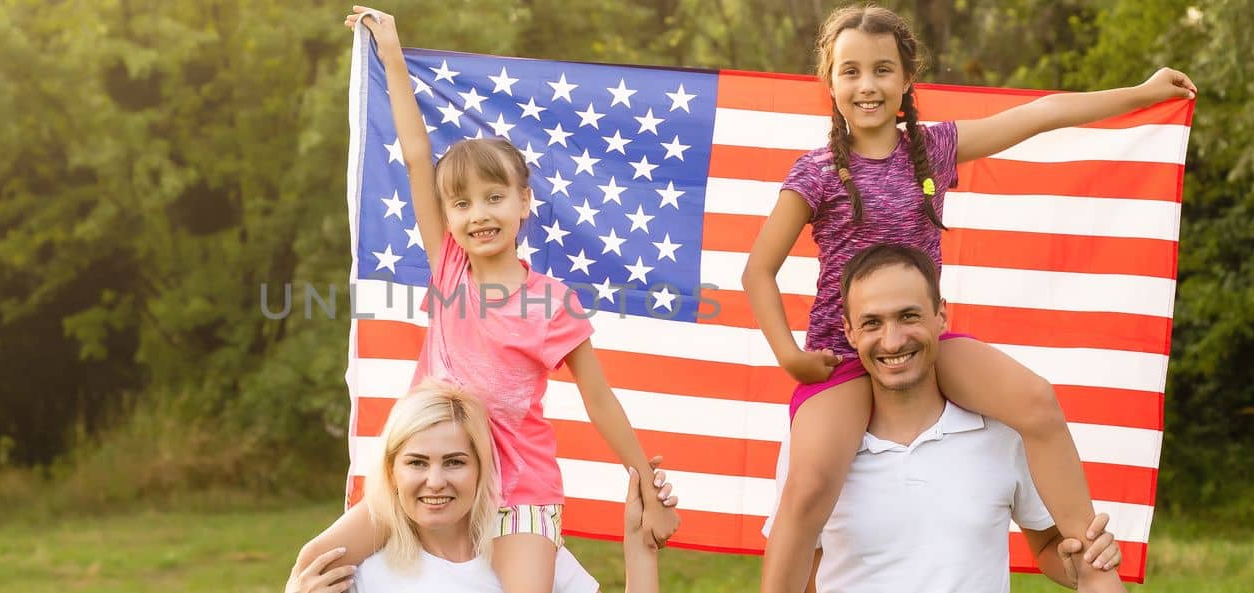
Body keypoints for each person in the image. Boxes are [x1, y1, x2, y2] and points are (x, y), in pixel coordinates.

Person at [740, 5, 1195, 592]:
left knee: (1036, 401)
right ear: (829, 82)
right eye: (850, 71)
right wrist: (791, 357)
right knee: (807, 491)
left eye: (883, 70)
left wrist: (1140, 92)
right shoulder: (820, 171)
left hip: (921, 337)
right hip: (846, 352)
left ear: (907, 80)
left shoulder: (933, 151)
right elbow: (758, 270)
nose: (868, 85)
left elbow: (1041, 114)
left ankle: (1093, 566)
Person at [291, 7, 681, 593]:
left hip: (519, 485)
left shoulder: (552, 302)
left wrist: (646, 481)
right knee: (314, 561)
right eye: (463, 204)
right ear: (448, 217)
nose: (479, 215)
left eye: (494, 197)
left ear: (524, 202)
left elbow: (601, 402)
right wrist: (392, 54)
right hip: (434, 465)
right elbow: (417, 154)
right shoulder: (449, 268)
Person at [764, 244, 1123, 593]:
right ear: (849, 332)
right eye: (872, 323)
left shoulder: (1003, 430)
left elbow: (1047, 545)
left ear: (941, 316)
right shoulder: (816, 445)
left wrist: (1081, 565)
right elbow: (804, 568)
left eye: (909, 316)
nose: (891, 341)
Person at [289, 381, 675, 593]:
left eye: (455, 462)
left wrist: (640, 547)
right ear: (392, 471)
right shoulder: (364, 571)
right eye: (416, 463)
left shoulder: (530, 554)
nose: (435, 481)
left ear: (481, 469)